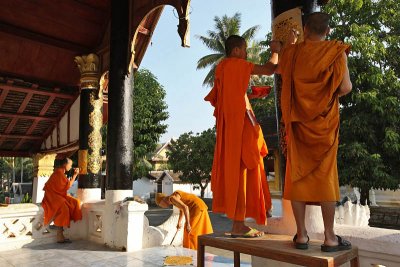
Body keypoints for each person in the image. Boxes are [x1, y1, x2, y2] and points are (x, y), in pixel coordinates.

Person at [276, 12, 352, 252]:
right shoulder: (336, 52)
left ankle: (301, 235)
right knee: (326, 178)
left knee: (297, 176)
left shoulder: (293, 52)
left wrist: (289, 43)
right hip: (324, 126)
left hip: (298, 125)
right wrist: (325, 96)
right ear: (327, 31)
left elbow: (280, 69)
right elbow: (346, 87)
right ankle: (330, 238)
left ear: (305, 28)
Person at [204, 35, 281, 238]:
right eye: (245, 50)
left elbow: (224, 98)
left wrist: (250, 95)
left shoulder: (220, 68)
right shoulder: (237, 64)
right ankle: (239, 225)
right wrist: (276, 51)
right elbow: (269, 69)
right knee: (247, 169)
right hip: (241, 128)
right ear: (237, 50)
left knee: (238, 172)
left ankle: (239, 223)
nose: (246, 54)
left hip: (230, 128)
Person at [42, 158, 82, 243]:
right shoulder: (59, 173)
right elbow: (67, 187)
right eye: (70, 165)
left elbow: (64, 188)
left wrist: (74, 175)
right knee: (64, 209)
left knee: (75, 202)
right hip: (51, 197)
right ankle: (60, 235)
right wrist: (75, 175)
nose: (71, 167)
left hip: (58, 196)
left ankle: (61, 232)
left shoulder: (61, 173)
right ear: (65, 164)